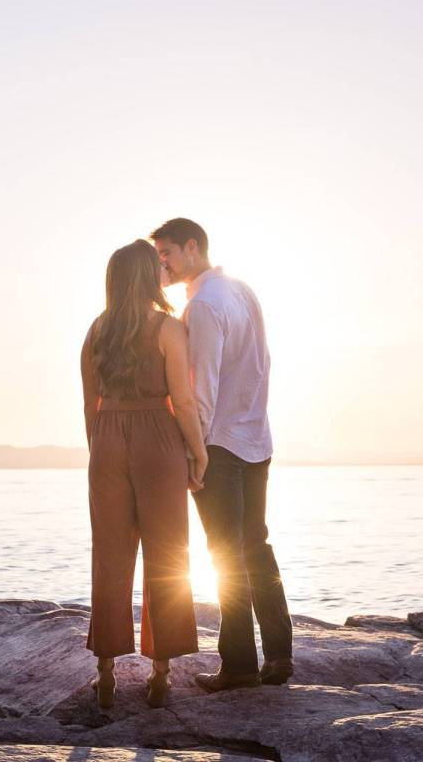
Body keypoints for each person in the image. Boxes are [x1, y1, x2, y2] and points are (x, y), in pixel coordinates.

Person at [151, 217, 293, 693]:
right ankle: (279, 657)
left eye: (167, 253)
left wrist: (197, 452)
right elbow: (262, 363)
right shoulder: (241, 291)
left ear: (193, 248)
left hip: (221, 445)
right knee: (256, 547)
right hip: (256, 438)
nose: (162, 264)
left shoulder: (205, 307)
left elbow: (201, 388)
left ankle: (238, 667)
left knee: (226, 556)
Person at [81, 239, 208, 709]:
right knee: (168, 550)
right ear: (143, 276)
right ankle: (160, 672)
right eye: (156, 266)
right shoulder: (167, 328)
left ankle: (107, 674)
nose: (163, 271)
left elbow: (88, 405)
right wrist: (198, 452)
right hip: (159, 436)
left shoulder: (96, 330)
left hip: (107, 436)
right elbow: (185, 400)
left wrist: (102, 450)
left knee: (110, 554)